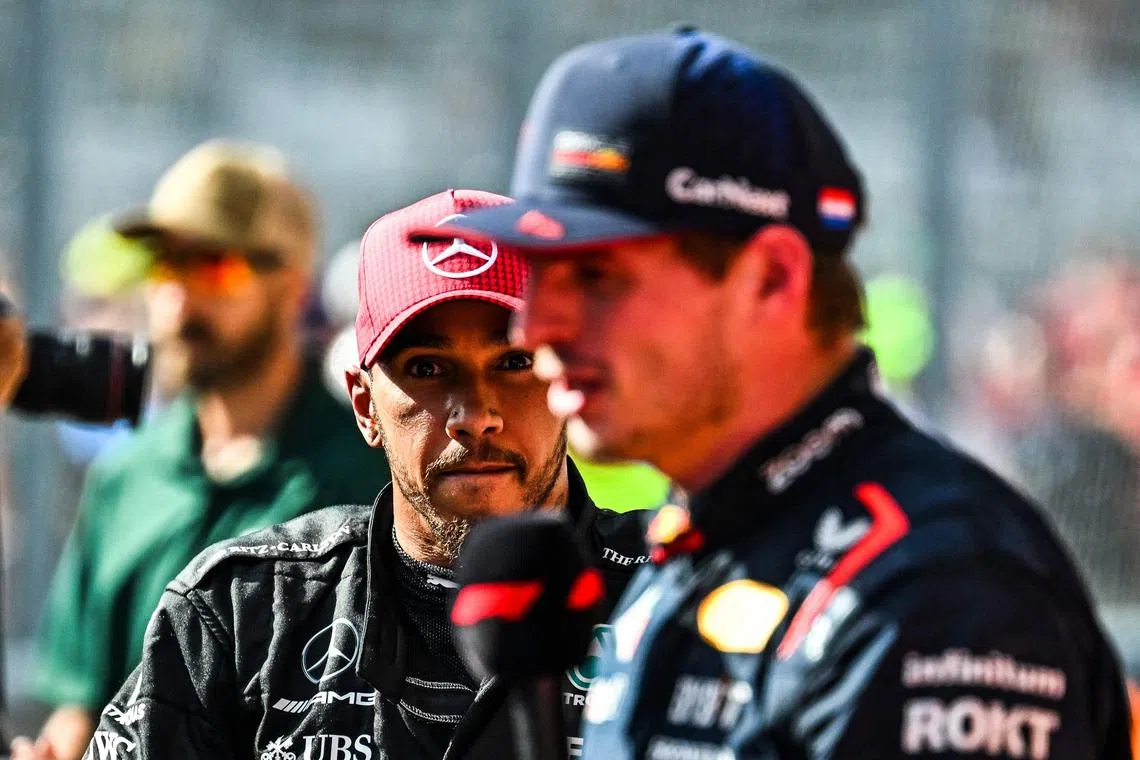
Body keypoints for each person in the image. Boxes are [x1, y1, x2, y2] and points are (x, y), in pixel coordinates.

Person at [411, 27, 1134, 759]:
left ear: (774, 279)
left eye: (597, 277)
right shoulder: (701, 539)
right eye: (537, 276)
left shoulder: (938, 589)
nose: (536, 327)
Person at [76, 190, 649, 760]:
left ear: (567, 380)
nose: (476, 416)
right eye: (427, 368)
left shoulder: (668, 601)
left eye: (514, 362)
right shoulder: (239, 611)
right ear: (364, 406)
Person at [15, 140, 391, 760]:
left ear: (292, 286)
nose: (178, 301)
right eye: (167, 265)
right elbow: (81, 711)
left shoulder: (367, 476)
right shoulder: (126, 480)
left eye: (214, 267)